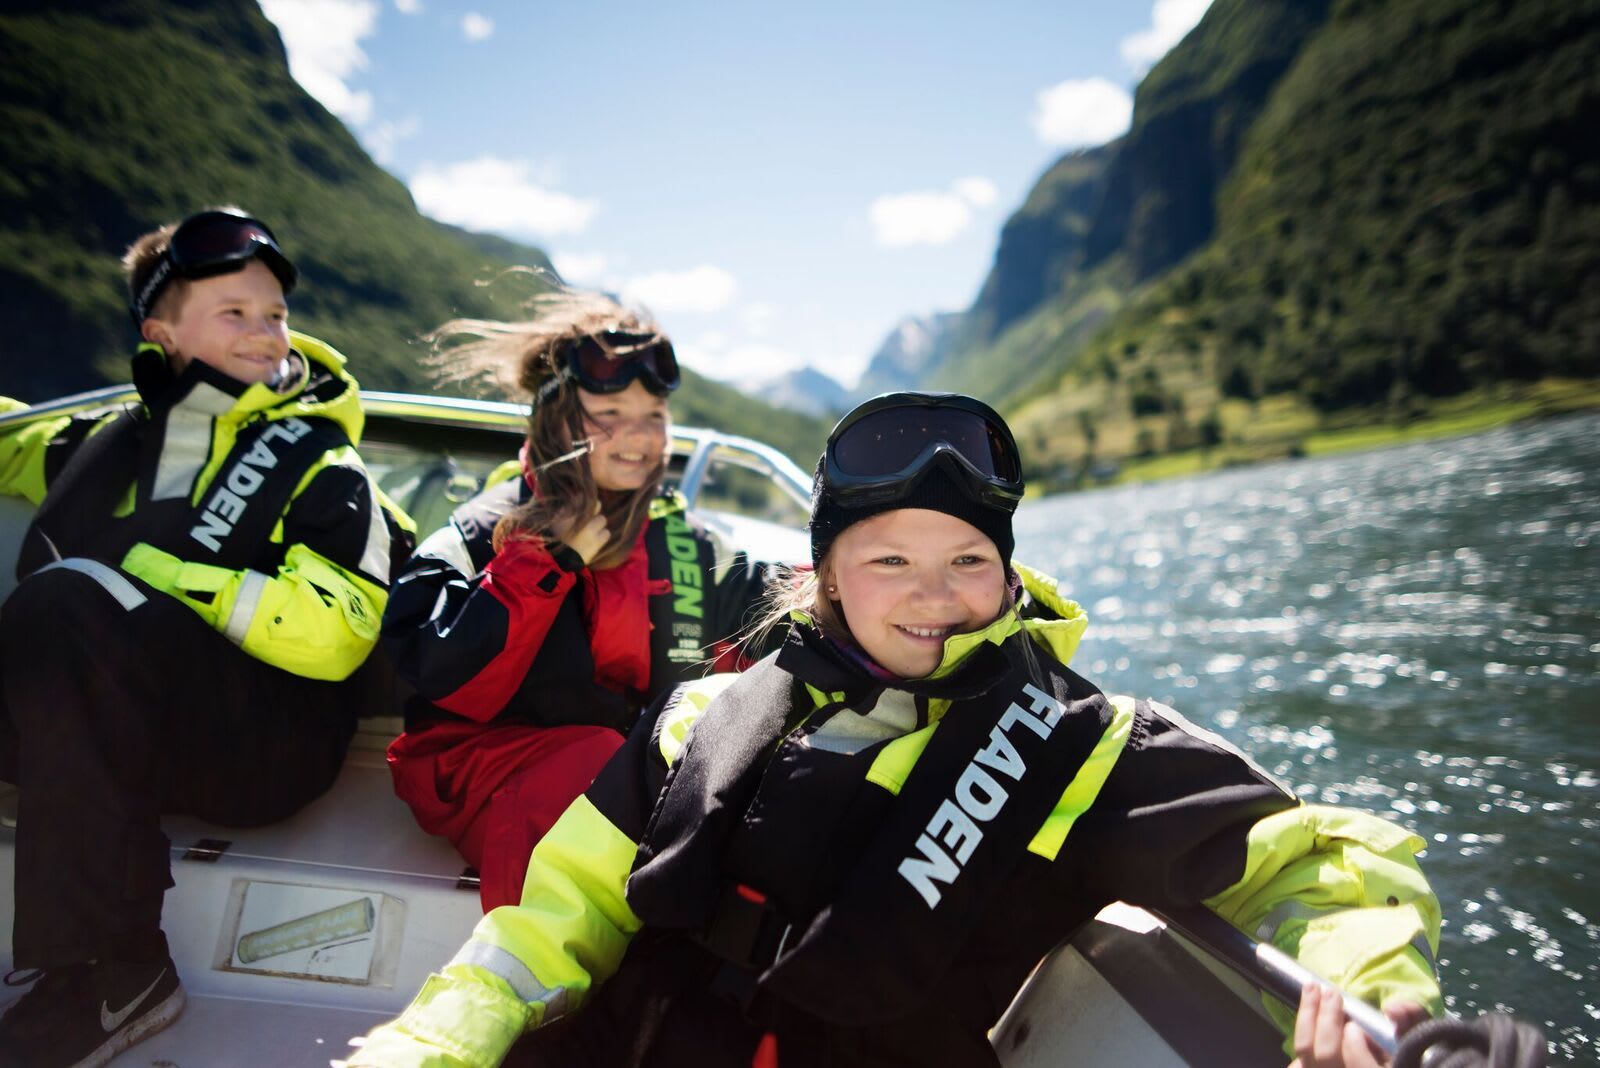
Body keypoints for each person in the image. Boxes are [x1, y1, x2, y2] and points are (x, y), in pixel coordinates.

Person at [351, 391, 1443, 1067]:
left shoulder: (1088, 747)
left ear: (1007, 572)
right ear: (823, 575)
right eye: (890, 562)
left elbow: (1327, 859)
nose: (937, 596)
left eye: (968, 560)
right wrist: (434, 1040)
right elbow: (557, 919)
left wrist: (1379, 997)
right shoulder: (709, 714)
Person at [0, 208, 411, 1068]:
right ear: (163, 333)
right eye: (235, 314)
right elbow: (13, 438)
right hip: (125, 730)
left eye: (276, 315)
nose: (266, 335)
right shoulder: (107, 443)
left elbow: (337, 632)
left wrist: (171, 577)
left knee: (63, 603)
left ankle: (117, 970)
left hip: (264, 744)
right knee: (59, 608)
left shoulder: (324, 467)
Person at [381, 292, 776, 912]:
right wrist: (548, 560)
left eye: (653, 414)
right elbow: (445, 675)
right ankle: (546, 981)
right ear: (555, 417)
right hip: (479, 764)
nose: (638, 436)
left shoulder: (676, 538)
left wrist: (871, 576)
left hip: (619, 763)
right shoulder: (483, 532)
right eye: (609, 411)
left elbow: (770, 596)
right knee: (601, 770)